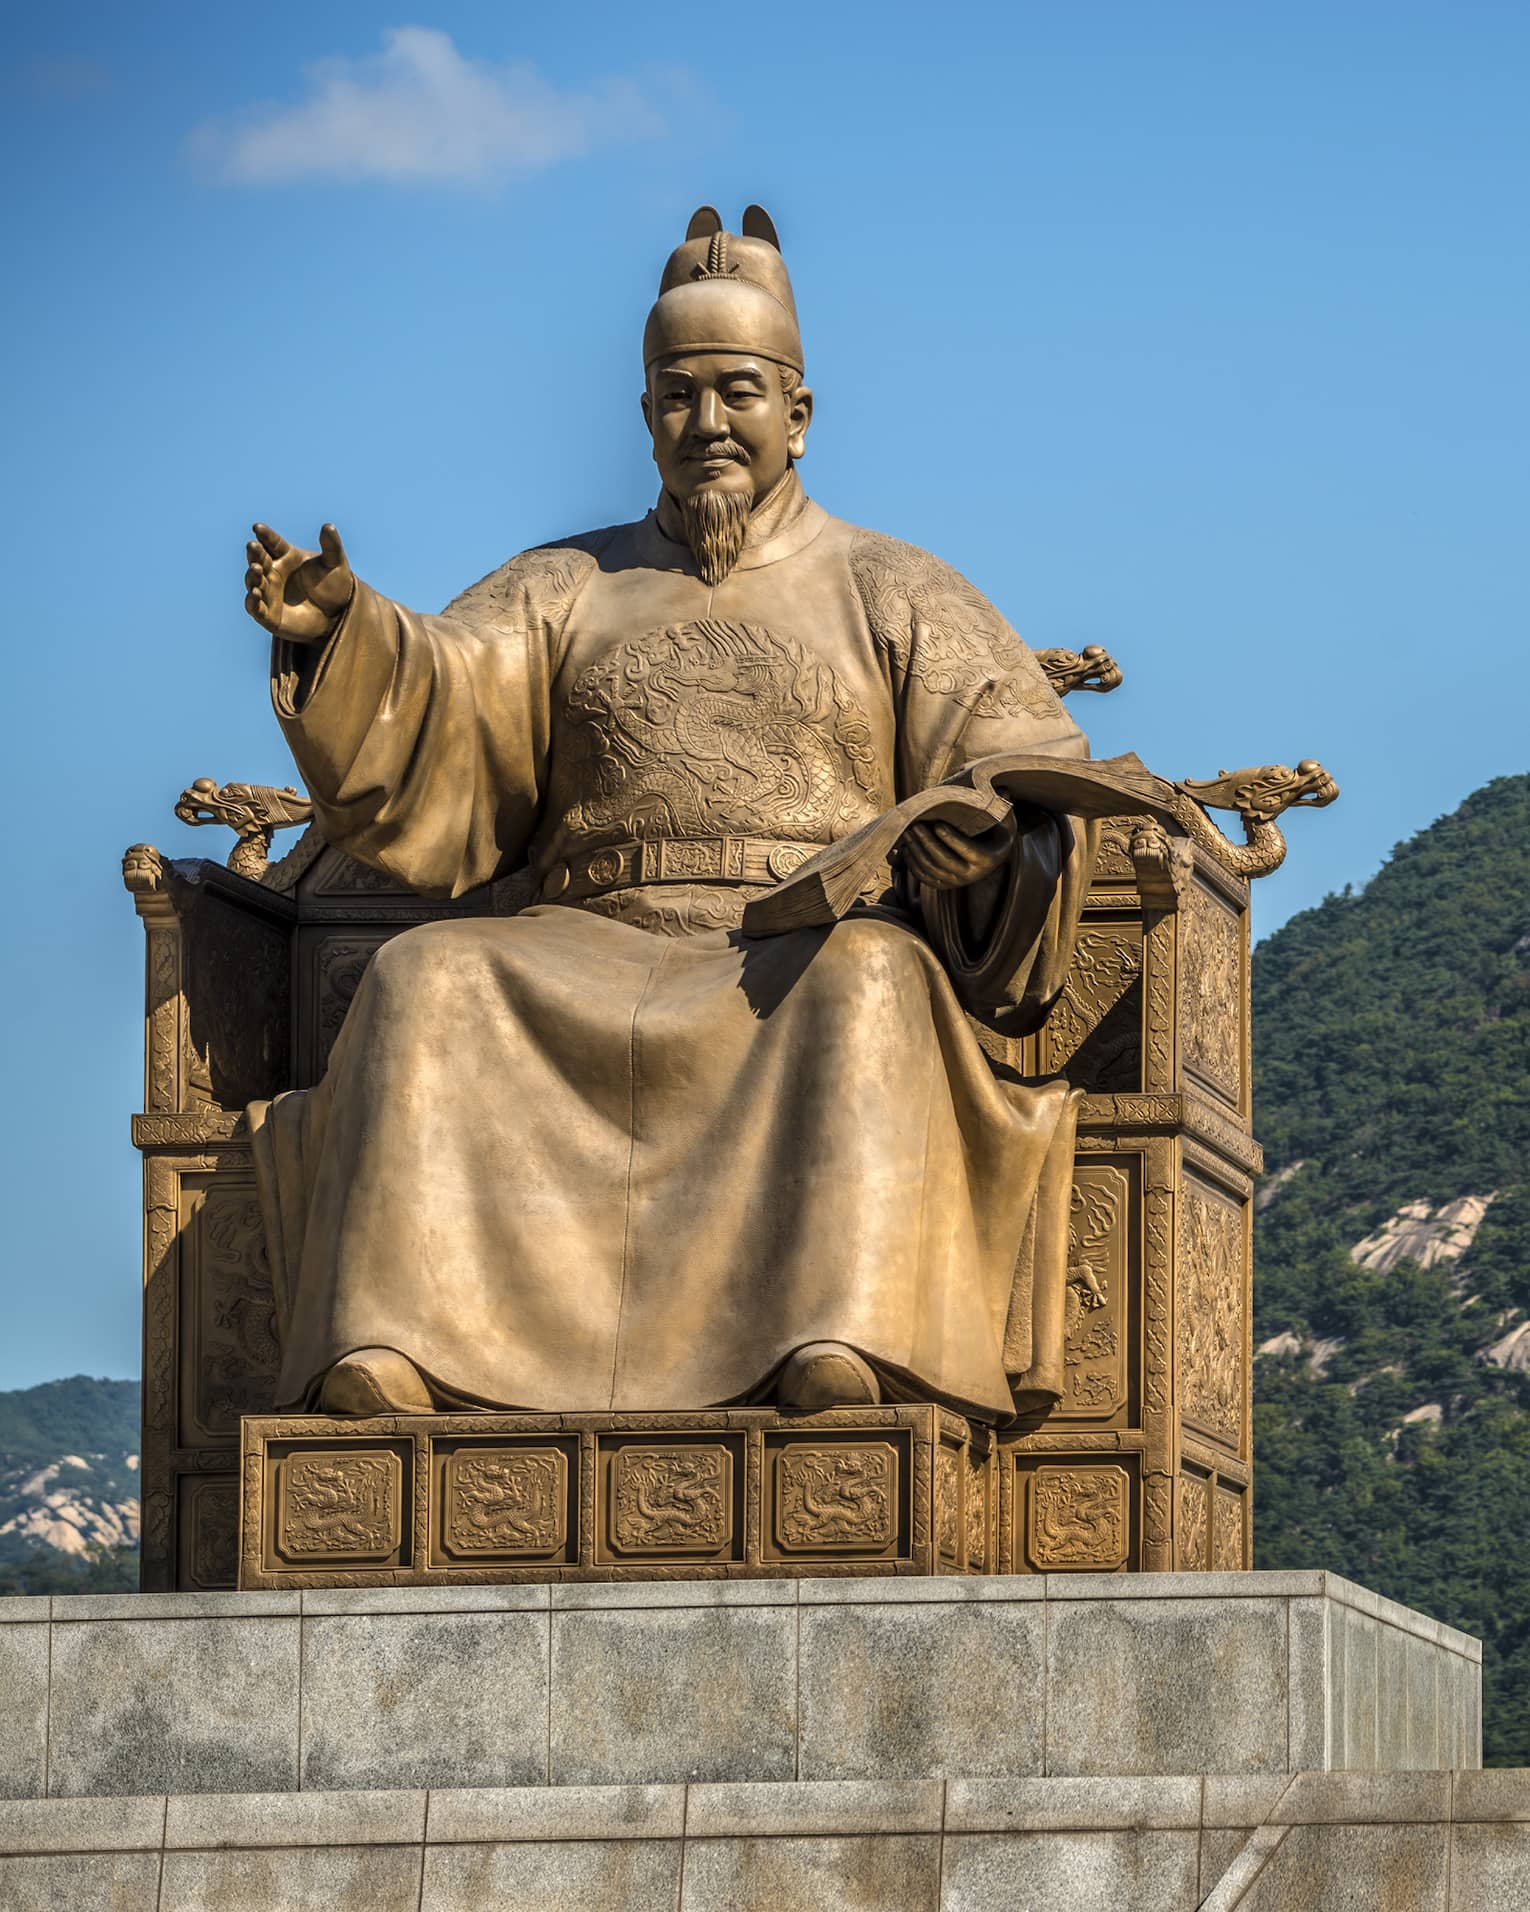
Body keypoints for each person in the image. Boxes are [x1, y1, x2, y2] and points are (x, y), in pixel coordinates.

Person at [244, 206, 1095, 1424]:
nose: (707, 426)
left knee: (868, 981)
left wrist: (986, 833)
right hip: (584, 931)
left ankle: (835, 1338)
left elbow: (1020, 756)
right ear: (646, 416)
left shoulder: (896, 586)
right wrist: (342, 631)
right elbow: (446, 682)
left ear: (798, 413)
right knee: (427, 978)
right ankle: (398, 1346)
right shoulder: (564, 583)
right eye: (677, 398)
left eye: (738, 394)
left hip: (804, 936)